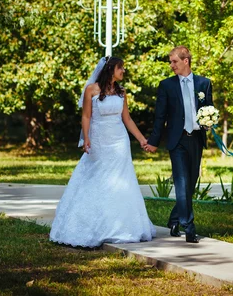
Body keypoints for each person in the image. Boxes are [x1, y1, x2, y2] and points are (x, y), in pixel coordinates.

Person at [50, 56, 156, 248]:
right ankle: (90, 224)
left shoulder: (122, 92)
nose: (123, 71)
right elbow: (86, 115)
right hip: (99, 139)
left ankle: (123, 226)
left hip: (119, 141)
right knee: (97, 178)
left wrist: (142, 140)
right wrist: (87, 137)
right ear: (110, 70)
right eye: (120, 68)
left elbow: (128, 119)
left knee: (121, 179)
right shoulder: (92, 89)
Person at [145, 46, 213, 243]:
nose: (171, 65)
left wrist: (208, 122)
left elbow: (209, 108)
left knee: (190, 185)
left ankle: (174, 220)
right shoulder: (166, 85)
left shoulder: (204, 83)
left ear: (186, 61)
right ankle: (188, 226)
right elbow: (160, 116)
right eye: (170, 61)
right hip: (177, 139)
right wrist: (154, 142)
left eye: (174, 61)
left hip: (197, 139)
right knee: (181, 183)